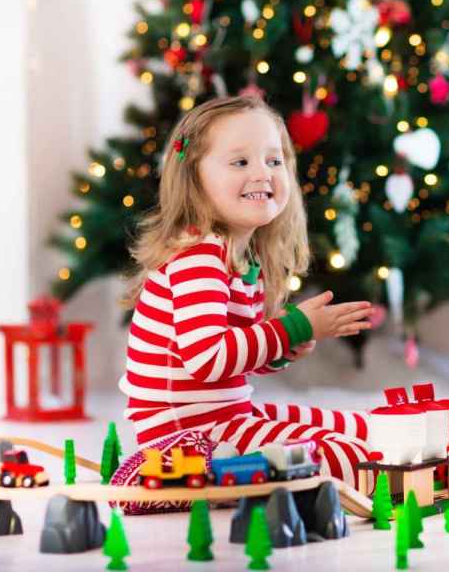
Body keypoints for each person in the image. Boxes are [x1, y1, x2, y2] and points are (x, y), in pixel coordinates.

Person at [116, 95, 374, 499]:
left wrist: (283, 348)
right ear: (194, 179)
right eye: (240, 162)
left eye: (274, 161)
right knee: (347, 452)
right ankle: (378, 468)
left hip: (222, 416)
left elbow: (235, 360)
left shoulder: (237, 256)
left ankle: (390, 439)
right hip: (187, 438)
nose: (263, 174)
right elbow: (207, 359)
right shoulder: (199, 257)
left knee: (347, 424)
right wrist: (293, 326)